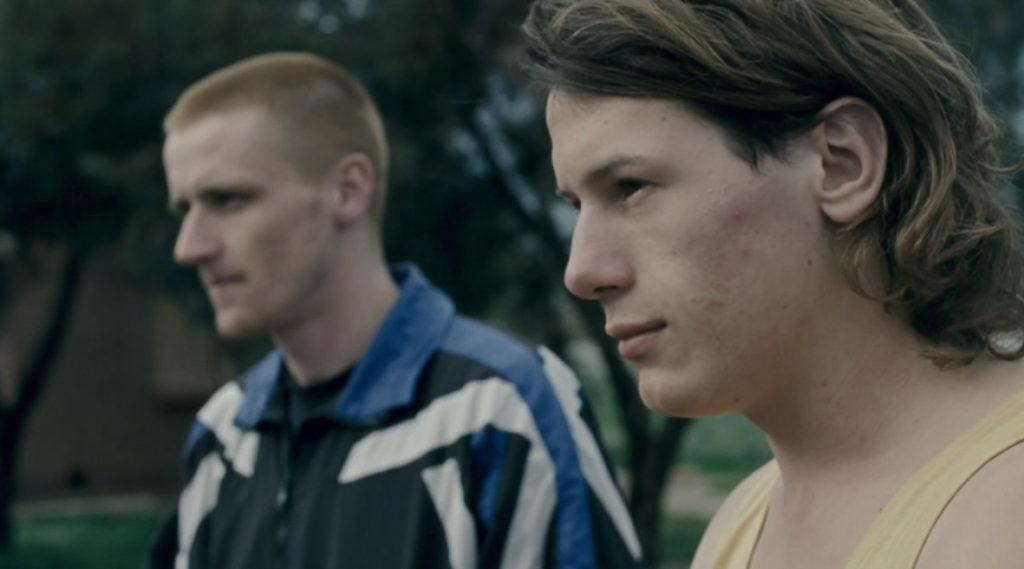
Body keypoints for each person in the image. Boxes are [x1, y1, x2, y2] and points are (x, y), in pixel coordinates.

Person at [522, 1, 1024, 568]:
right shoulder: (742, 520)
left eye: (631, 187)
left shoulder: (1005, 518)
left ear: (843, 162)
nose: (582, 271)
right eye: (576, 205)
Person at [148, 52, 642, 569]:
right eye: (184, 209)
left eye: (226, 199)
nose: (189, 246)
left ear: (348, 190)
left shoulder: (500, 411)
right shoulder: (223, 435)